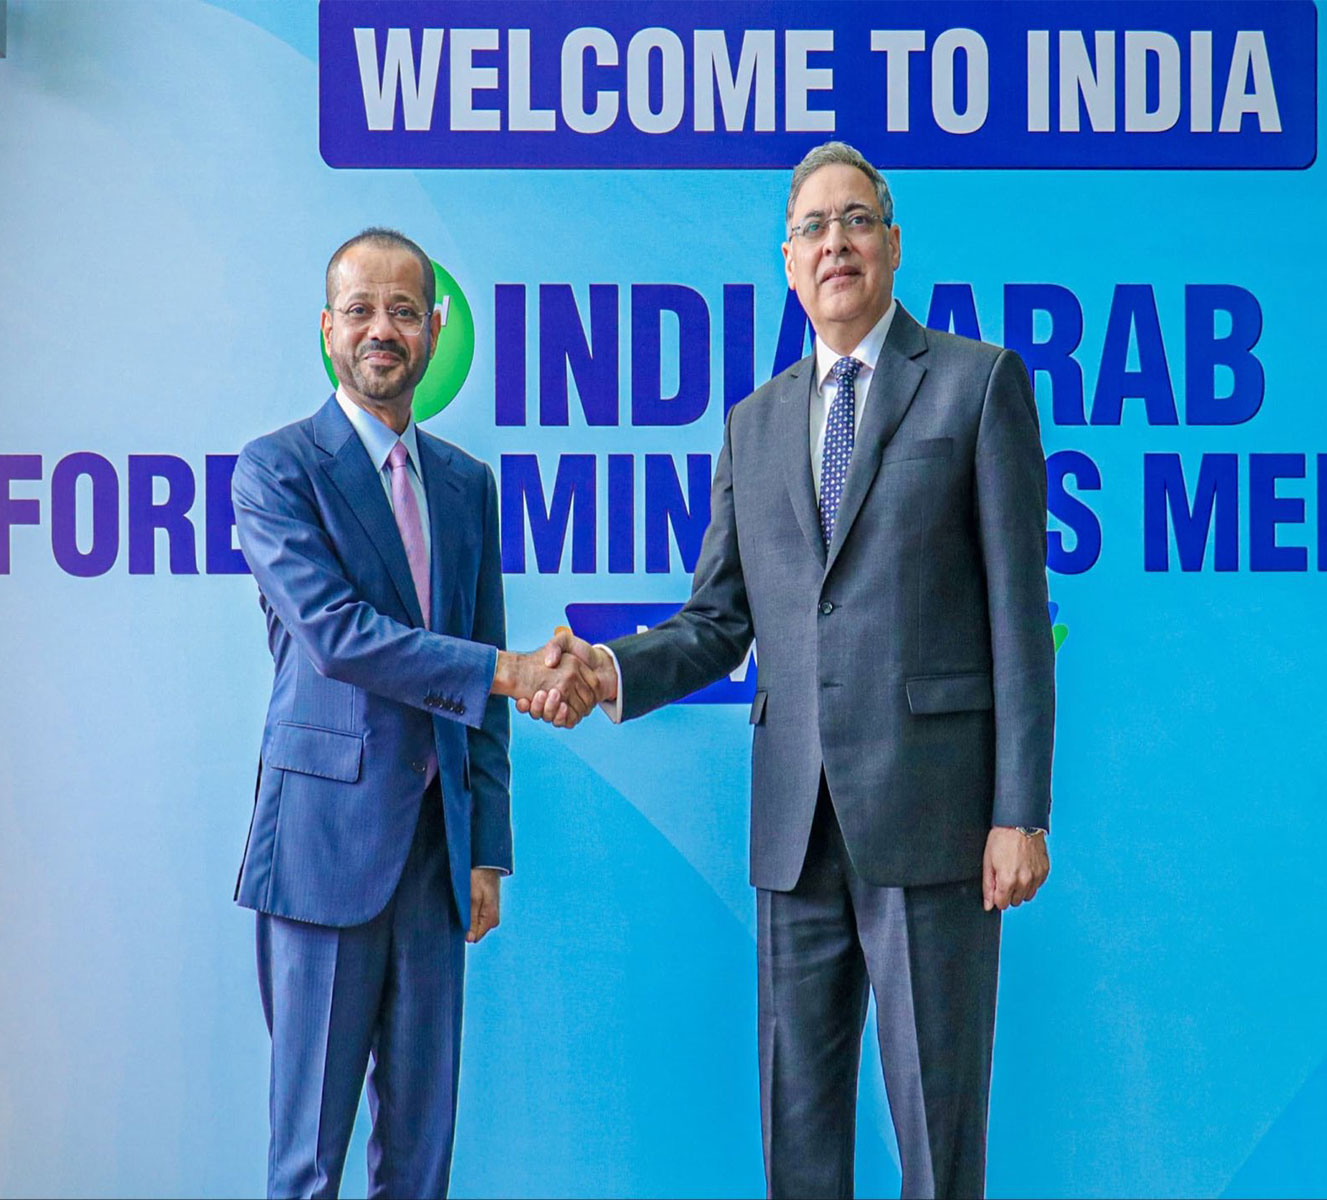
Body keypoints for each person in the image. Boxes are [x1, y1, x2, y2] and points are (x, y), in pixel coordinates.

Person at [531, 144, 1056, 1199]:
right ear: (786, 260)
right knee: (798, 1143)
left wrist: (1019, 812)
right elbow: (720, 621)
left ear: (893, 244)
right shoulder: (754, 421)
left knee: (937, 1140)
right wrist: (608, 671)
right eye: (814, 227)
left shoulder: (976, 382)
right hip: (792, 827)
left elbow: (1014, 612)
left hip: (934, 820)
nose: (836, 244)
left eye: (856, 221)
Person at [231, 228, 599, 1198]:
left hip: (437, 862)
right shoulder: (276, 472)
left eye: (403, 310)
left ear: (435, 332)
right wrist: (512, 671)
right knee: (308, 1160)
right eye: (360, 310)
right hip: (322, 855)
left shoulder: (467, 487)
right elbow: (341, 637)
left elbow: (485, 701)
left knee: (422, 1158)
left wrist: (486, 847)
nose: (381, 331)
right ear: (327, 329)